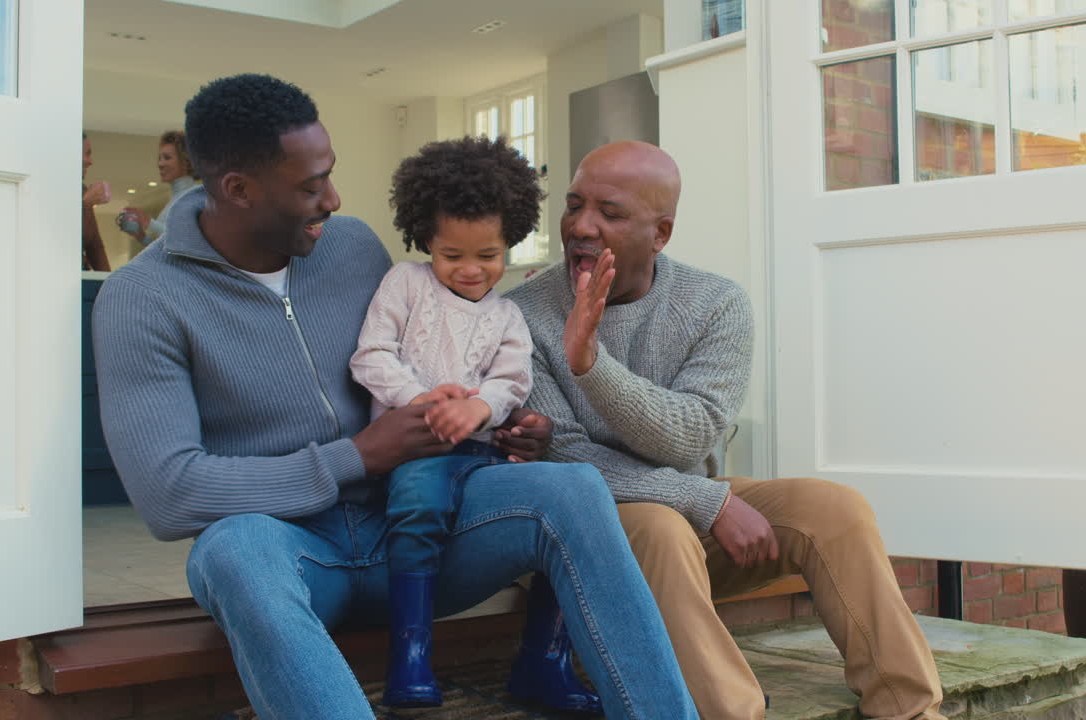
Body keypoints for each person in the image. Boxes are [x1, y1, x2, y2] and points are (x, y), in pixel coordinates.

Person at [91, 75, 698, 720]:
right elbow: (169, 493)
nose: (334, 198)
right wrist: (354, 457)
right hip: (292, 553)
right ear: (238, 189)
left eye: (329, 174)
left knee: (572, 489)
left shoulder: (349, 247)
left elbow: (430, 354)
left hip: (419, 527)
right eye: (309, 185)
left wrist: (507, 421)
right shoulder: (143, 298)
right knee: (231, 551)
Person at [505, 140, 947, 720]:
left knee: (834, 509)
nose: (581, 226)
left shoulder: (714, 304)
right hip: (594, 532)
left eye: (609, 213)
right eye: (573, 204)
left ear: (660, 233)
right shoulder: (522, 313)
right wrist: (703, 499)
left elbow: (692, 436)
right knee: (661, 528)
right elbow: (561, 457)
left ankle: (909, 708)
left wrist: (592, 366)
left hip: (693, 512)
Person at [349, 135, 599, 711]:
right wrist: (424, 400)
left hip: (481, 455)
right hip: (414, 450)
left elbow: (511, 382)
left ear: (509, 243)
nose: (469, 270)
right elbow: (371, 356)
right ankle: (409, 658)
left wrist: (479, 409)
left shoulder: (508, 314)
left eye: (487, 255)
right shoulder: (405, 284)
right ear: (423, 242)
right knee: (418, 507)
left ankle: (547, 658)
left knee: (557, 507)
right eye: (450, 255)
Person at [117, 130, 199, 245]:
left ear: (186, 161)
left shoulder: (194, 197)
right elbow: (165, 253)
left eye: (167, 158)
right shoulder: (175, 200)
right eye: (160, 158)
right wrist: (141, 236)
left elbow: (185, 244)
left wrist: (148, 222)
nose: (160, 164)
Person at [81, 133, 112, 271]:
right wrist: (85, 204)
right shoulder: (46, 190)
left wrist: (108, 282)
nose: (90, 161)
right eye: (86, 154)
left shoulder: (81, 190)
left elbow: (95, 246)